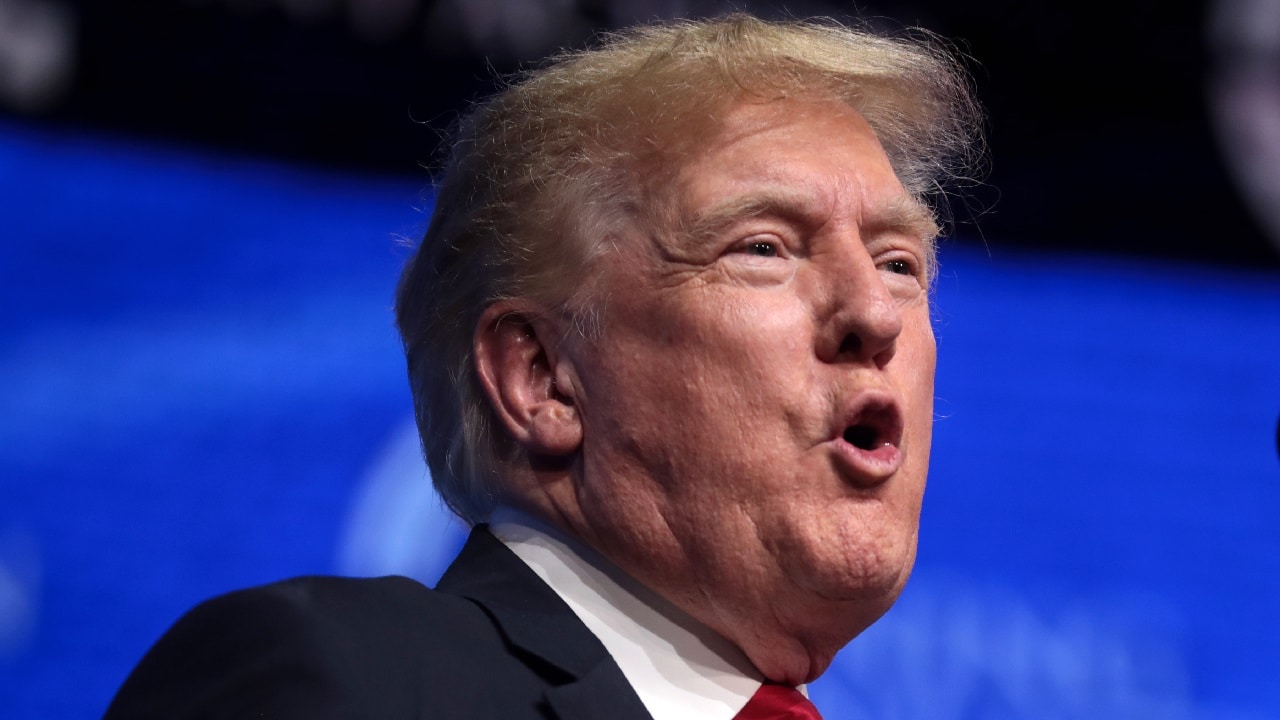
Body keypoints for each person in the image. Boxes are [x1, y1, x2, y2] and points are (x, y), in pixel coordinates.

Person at [103, 13, 982, 720]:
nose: (875, 315)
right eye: (763, 247)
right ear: (543, 377)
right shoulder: (348, 681)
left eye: (900, 262)